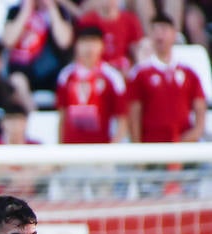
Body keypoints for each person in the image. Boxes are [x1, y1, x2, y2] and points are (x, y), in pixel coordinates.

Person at [126, 13, 206, 143]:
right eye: (155, 30)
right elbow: (134, 113)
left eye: (163, 29)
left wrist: (194, 133)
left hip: (184, 144)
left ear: (174, 34)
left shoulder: (188, 72)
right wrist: (138, 148)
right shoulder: (140, 74)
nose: (159, 35)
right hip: (152, 145)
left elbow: (200, 107)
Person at [56, 24, 128, 143]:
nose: (89, 48)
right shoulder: (66, 75)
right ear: (77, 46)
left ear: (102, 46)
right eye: (84, 42)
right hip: (71, 149)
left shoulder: (112, 77)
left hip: (100, 149)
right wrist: (60, 147)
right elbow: (62, 115)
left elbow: (122, 118)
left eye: (94, 43)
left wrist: (112, 149)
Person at [2, 0, 75, 95]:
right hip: (21, 70)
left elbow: (64, 42)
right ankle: (31, 109)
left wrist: (52, 8)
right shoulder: (15, 11)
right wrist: (26, 10)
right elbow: (8, 41)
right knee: (17, 80)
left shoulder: (60, 12)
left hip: (52, 71)